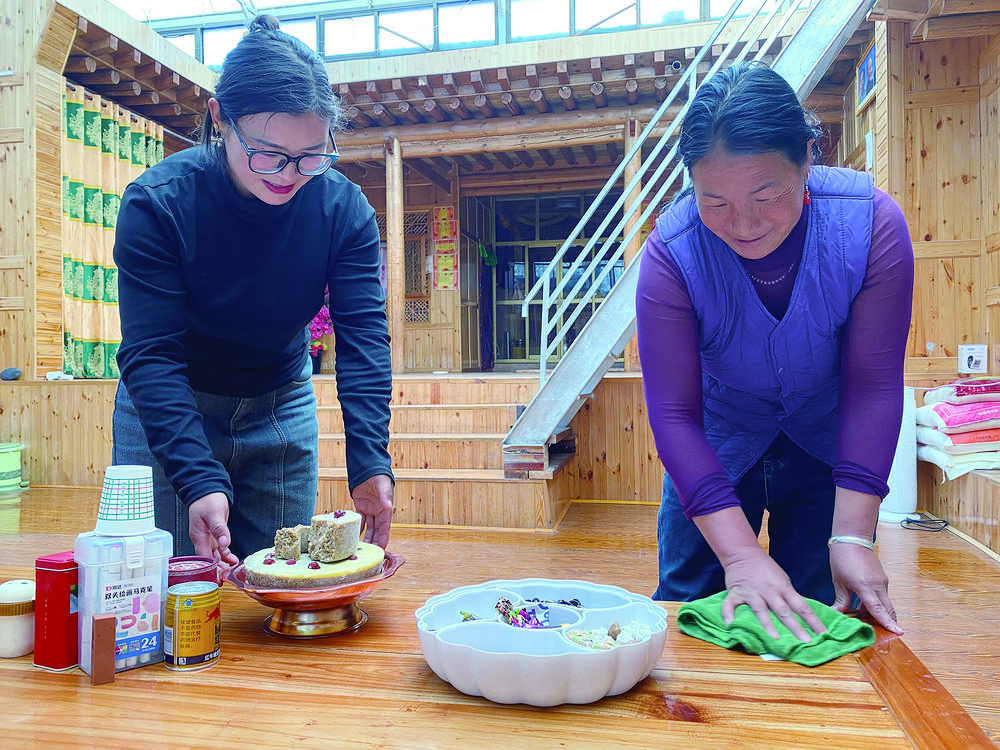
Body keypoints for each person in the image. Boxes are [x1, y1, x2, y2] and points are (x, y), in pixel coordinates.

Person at [636, 61, 913, 641]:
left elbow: (872, 386)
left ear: (807, 158)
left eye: (766, 195)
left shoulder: (870, 225)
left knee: (819, 616)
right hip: (712, 449)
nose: (743, 225)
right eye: (715, 202)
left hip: (825, 449)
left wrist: (853, 536)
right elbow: (674, 415)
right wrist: (739, 556)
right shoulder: (671, 253)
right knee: (689, 614)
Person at [112, 14, 394, 569]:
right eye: (268, 153)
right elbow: (151, 352)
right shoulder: (158, 204)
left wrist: (370, 462)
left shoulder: (343, 210)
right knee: (174, 590)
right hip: (170, 406)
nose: (288, 174)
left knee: (282, 585)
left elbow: (363, 338)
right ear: (220, 118)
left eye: (311, 155)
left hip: (280, 403)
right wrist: (197, 477)